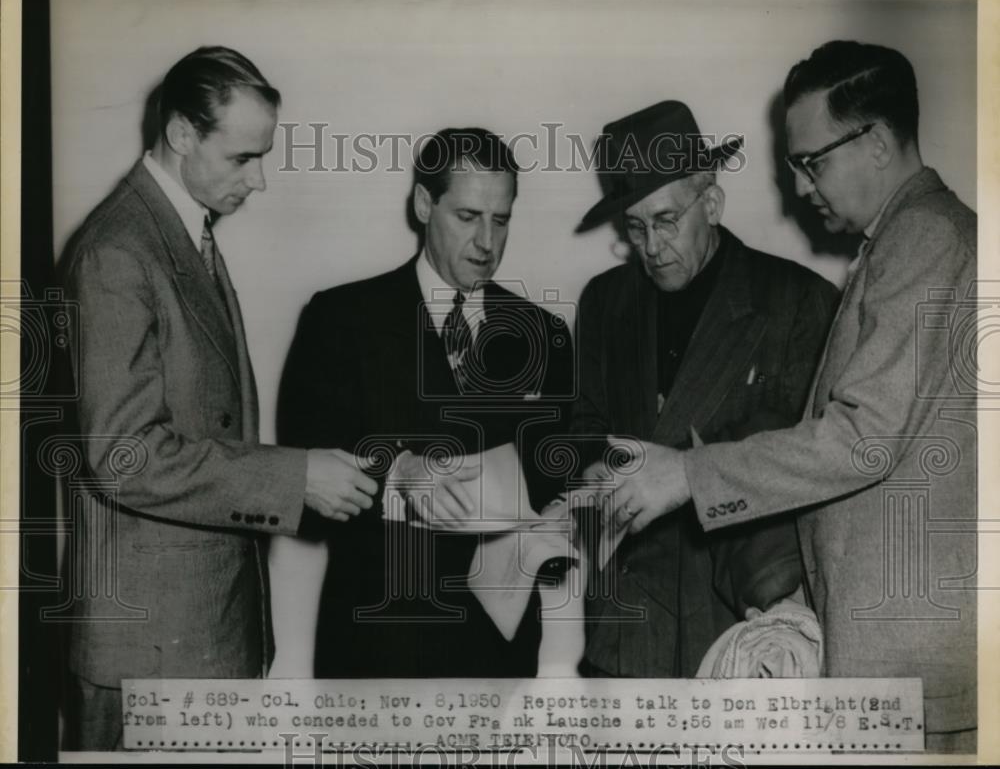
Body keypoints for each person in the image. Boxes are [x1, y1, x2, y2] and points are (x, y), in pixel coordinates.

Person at [596, 43, 977, 752]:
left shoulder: (924, 235)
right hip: (889, 649)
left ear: (877, 142)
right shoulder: (908, 238)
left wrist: (687, 475)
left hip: (905, 653)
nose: (800, 187)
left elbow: (861, 438)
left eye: (812, 162)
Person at [59, 46, 377, 750]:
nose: (258, 179)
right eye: (242, 158)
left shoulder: (179, 229)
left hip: (199, 636)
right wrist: (294, 477)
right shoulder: (117, 251)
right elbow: (125, 456)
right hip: (149, 652)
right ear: (180, 133)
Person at [276, 127, 574, 678]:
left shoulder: (545, 333)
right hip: (374, 650)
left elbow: (556, 473)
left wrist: (566, 510)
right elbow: (299, 483)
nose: (487, 242)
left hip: (498, 658)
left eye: (501, 220)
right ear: (422, 203)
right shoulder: (340, 320)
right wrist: (398, 476)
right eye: (467, 216)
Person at [572, 100, 838, 677]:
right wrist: (591, 473)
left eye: (666, 220)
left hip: (738, 640)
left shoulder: (800, 303)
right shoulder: (603, 302)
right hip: (621, 634)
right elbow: (585, 426)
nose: (651, 247)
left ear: (711, 204)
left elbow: (817, 469)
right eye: (635, 227)